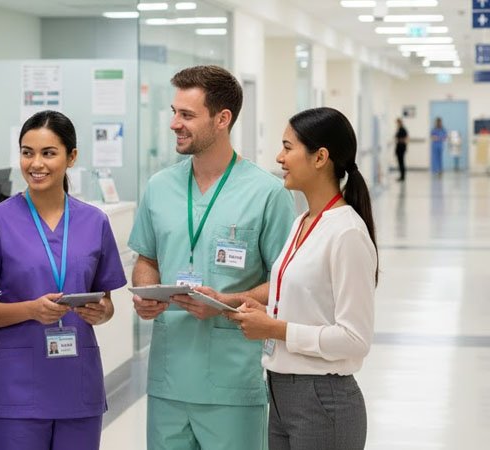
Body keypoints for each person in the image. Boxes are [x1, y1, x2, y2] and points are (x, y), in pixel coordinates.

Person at [127, 65, 296, 450]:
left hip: (232, 383)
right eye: (173, 112)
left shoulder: (267, 193)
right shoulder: (160, 187)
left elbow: (286, 284)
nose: (174, 124)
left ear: (223, 119)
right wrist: (146, 290)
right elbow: (147, 256)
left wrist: (225, 303)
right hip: (168, 380)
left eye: (186, 115)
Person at [0, 110, 127, 450]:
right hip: (16, 388)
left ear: (72, 157)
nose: (36, 163)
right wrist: (31, 311)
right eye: (27, 152)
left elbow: (106, 302)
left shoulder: (94, 222)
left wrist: (102, 311)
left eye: (48, 153)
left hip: (78, 384)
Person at [228, 107, 378, 450]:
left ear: (320, 157)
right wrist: (238, 302)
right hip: (281, 391)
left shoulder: (347, 233)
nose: (279, 157)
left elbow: (356, 339)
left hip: (323, 398)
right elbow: (296, 292)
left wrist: (274, 329)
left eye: (288, 147)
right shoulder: (304, 221)